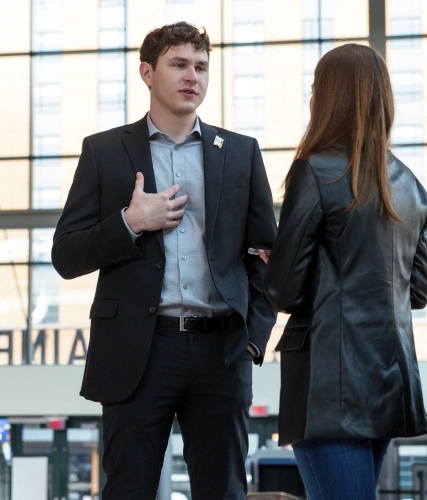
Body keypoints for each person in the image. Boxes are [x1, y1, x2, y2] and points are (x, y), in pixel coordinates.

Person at [51, 22, 277, 499]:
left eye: (201, 66)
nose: (192, 75)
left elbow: (266, 259)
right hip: (139, 350)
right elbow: (66, 255)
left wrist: (253, 341)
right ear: (147, 73)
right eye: (179, 64)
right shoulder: (104, 152)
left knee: (224, 492)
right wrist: (131, 222)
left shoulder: (240, 153)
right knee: (129, 489)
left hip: (222, 351)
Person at [262, 43, 427, 500]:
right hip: (388, 381)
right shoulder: (412, 187)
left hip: (327, 387)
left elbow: (283, 292)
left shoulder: (315, 171)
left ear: (331, 98)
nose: (312, 99)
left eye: (317, 89)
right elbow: (416, 293)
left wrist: (276, 264)